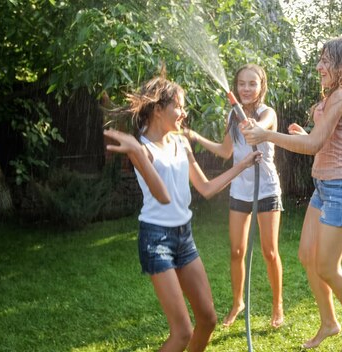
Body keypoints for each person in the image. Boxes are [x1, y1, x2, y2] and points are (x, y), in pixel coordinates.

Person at [103, 73, 261, 352]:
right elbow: (162, 196)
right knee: (182, 333)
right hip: (156, 240)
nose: (183, 112)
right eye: (178, 106)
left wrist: (244, 164)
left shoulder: (181, 143)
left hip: (184, 237)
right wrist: (137, 154)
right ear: (158, 109)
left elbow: (206, 187)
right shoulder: (143, 149)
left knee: (208, 319)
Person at [241, 37, 342, 352]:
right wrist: (306, 135)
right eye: (319, 60)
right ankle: (330, 322)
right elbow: (322, 140)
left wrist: (266, 135)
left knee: (328, 266)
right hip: (323, 187)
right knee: (307, 257)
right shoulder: (334, 94)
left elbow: (315, 145)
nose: (319, 66)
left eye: (326, 61)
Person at [185, 64, 284, 328]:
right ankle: (238, 302)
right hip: (240, 189)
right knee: (236, 250)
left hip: (265, 189)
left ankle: (277, 305)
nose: (247, 89)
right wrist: (196, 137)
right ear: (236, 87)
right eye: (242, 83)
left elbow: (261, 128)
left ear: (262, 86)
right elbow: (226, 151)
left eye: (252, 84)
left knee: (269, 252)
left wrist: (253, 125)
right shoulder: (233, 115)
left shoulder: (267, 113)